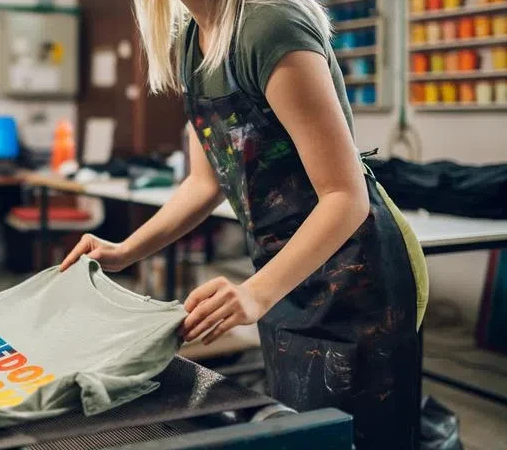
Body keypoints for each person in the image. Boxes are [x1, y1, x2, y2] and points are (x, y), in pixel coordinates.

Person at [59, 0, 429, 448]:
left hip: (355, 277)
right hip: (286, 277)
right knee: (300, 433)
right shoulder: (192, 43)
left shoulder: (269, 25)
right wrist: (124, 250)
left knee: (353, 438)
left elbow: (344, 197)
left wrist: (256, 292)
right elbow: (204, 182)